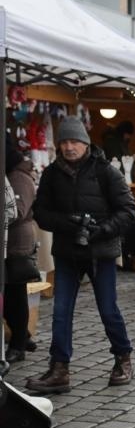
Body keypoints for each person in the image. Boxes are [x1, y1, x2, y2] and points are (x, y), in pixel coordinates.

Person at [25, 115, 135, 393]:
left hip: (101, 252)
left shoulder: (105, 171)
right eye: (64, 142)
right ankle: (59, 368)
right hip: (67, 252)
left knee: (108, 310)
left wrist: (103, 229)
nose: (69, 147)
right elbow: (40, 212)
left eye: (75, 141)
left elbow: (127, 210)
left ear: (86, 143)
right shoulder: (51, 174)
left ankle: (123, 358)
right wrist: (66, 223)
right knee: (61, 312)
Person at [3, 146, 37, 363]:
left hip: (16, 243)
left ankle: (18, 343)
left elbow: (18, 210)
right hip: (7, 242)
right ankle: (22, 334)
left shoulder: (18, 176)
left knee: (14, 294)